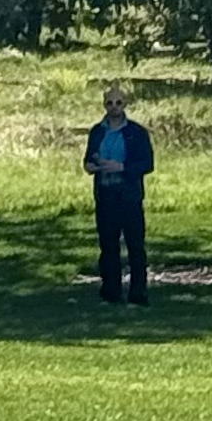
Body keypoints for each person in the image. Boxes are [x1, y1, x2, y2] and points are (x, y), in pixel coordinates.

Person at [84, 83, 154, 302]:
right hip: (105, 195)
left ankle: (138, 292)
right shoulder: (97, 132)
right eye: (109, 103)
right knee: (108, 245)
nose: (114, 107)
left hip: (129, 195)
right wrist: (91, 167)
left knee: (135, 244)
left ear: (125, 104)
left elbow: (147, 163)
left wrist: (122, 168)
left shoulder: (136, 132)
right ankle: (111, 290)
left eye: (118, 102)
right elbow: (88, 159)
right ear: (104, 105)